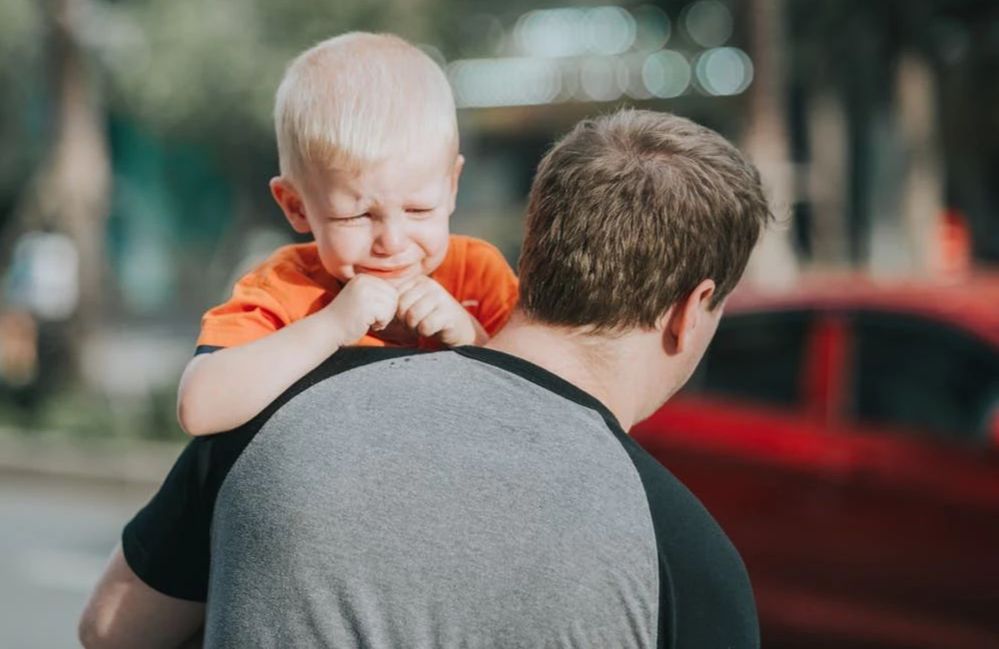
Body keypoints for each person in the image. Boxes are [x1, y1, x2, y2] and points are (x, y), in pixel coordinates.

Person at [80, 108, 771, 649]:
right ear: (687, 312)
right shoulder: (687, 559)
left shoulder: (277, 409)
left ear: (533, 251)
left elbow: (110, 629)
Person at [176, 32, 519, 437]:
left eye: (418, 209)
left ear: (452, 187)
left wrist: (471, 337)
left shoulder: (478, 275)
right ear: (296, 206)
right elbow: (200, 409)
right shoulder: (284, 288)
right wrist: (330, 325)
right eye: (356, 216)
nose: (392, 242)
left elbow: (542, 409)